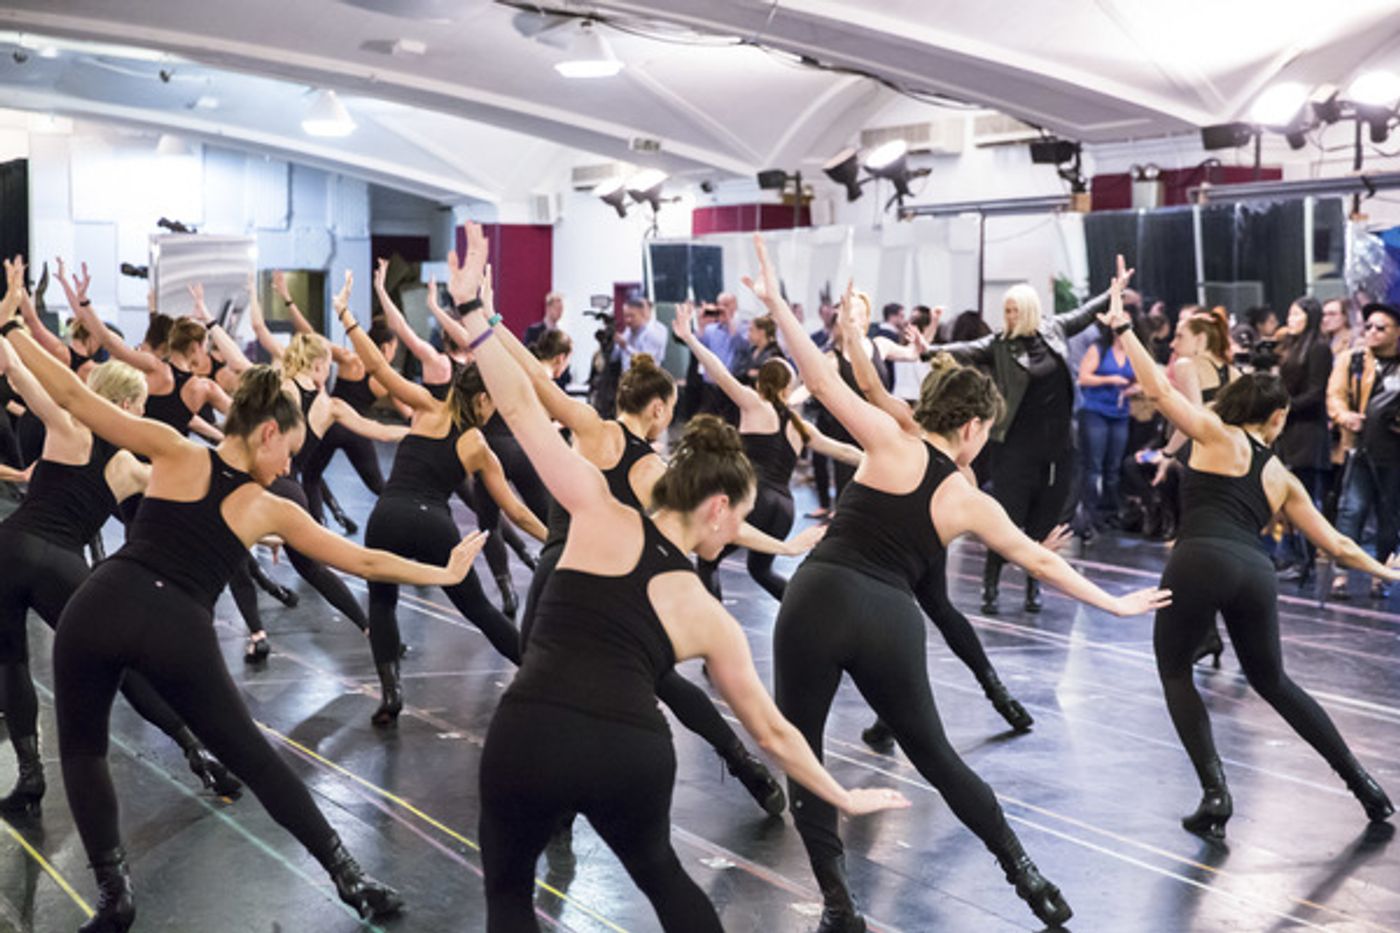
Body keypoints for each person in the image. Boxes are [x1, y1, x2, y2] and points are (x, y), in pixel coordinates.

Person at [441, 225, 910, 933]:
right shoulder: (705, 613)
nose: (734, 531)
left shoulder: (594, 509)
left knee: (507, 896)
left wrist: (476, 314)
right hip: (628, 751)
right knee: (663, 877)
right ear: (716, 507)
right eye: (739, 519)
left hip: (530, 731)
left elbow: (520, 409)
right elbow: (775, 733)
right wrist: (838, 795)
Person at [5, 289, 487, 927]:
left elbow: (71, 396)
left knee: (86, 751)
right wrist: (445, 570)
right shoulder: (271, 507)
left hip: (102, 603)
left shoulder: (175, 451)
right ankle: (351, 878)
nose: (290, 461)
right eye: (287, 448)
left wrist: (11, 334)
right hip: (176, 626)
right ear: (266, 432)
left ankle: (114, 894)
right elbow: (362, 562)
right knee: (256, 759)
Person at [753, 234, 1167, 930]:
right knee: (940, 758)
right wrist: (1114, 603)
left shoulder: (890, 438)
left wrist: (781, 307)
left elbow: (823, 383)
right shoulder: (971, 499)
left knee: (804, 749)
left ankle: (838, 905)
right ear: (974, 426)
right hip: (887, 613)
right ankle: (1026, 876)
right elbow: (1041, 561)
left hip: (816, 595)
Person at [1099, 255, 1395, 840]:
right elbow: (1335, 542)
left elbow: (1156, 388)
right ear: (1278, 417)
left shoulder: (1214, 431)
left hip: (1199, 559)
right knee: (1275, 682)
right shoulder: (1280, 475)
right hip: (1254, 572)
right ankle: (1363, 782)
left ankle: (1215, 793)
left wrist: (1122, 327)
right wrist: (1389, 575)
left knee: (1176, 671)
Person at [0, 292, 240, 816]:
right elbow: (198, 501)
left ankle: (31, 777)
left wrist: (7, 324)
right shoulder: (131, 467)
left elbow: (18, 375)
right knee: (124, 667)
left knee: (11, 662)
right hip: (64, 564)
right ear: (127, 406)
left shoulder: (68, 426)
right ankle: (197, 755)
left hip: (10, 549)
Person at [334, 273, 546, 725]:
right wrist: (553, 537)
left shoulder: (427, 407)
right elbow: (514, 510)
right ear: (483, 399)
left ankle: (391, 695)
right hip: (433, 523)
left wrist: (347, 318)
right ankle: (538, 676)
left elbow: (379, 370)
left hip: (386, 516)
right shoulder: (477, 445)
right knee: (479, 609)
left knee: (383, 603)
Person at [935, 282, 1108, 614]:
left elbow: (1086, 314)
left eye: (1015, 310)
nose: (1010, 317)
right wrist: (926, 348)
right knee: (1007, 520)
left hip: (1057, 448)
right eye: (1006, 311)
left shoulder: (1054, 330)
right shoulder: (999, 345)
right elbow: (964, 349)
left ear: (1029, 310)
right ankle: (991, 584)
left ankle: (1033, 584)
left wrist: (1112, 291)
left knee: (1044, 520)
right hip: (1015, 448)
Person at [672, 302, 862, 601]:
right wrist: (888, 457)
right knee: (761, 570)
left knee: (709, 559)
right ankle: (801, 616)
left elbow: (719, 372)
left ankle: (716, 630)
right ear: (789, 387)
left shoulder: (754, 405)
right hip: (785, 510)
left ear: (762, 383)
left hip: (753, 500)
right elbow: (843, 451)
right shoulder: (801, 426)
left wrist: (690, 338)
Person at [60, 262, 229, 443]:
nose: (206, 353)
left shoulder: (154, 368)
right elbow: (246, 415)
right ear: (195, 347)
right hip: (168, 463)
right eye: (205, 346)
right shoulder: (204, 388)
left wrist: (84, 302)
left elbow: (106, 339)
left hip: (134, 453)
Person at [1327, 302, 1400, 601]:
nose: (1371, 332)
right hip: (1359, 449)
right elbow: (1334, 396)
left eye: (1380, 328)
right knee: (1351, 511)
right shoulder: (1353, 359)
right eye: (1368, 326)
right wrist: (1345, 417)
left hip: (1394, 454)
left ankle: (1379, 577)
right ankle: (1340, 576)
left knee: (1388, 519)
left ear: (1397, 332)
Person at [1274, 297, 1334, 584]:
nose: (1291, 319)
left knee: (1305, 500)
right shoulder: (1291, 346)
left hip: (1308, 432)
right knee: (1288, 500)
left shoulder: (1319, 348)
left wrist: (1284, 407)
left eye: (1296, 314)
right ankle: (1295, 556)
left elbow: (1315, 392)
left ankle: (1307, 560)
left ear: (1309, 317)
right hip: (1290, 430)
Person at [1077, 318, 1137, 530]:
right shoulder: (1099, 348)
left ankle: (1109, 512)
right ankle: (1089, 515)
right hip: (1096, 410)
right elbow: (1083, 377)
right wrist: (1109, 379)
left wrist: (1133, 389)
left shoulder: (1134, 352)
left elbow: (1143, 380)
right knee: (1094, 466)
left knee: (1113, 467)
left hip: (1120, 412)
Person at [613, 295, 667, 373]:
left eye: (631, 316)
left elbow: (647, 362)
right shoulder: (629, 330)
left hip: (646, 379)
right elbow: (615, 357)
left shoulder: (655, 331)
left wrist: (626, 347)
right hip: (627, 378)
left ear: (642, 314)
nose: (628, 320)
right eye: (625, 316)